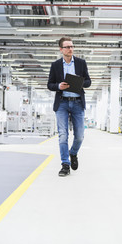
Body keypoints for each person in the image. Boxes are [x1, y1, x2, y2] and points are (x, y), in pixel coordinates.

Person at [47, 36, 91, 177]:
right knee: (63, 135)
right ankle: (65, 164)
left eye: (72, 46)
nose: (70, 49)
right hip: (62, 103)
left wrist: (78, 83)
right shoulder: (55, 65)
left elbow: (88, 81)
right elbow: (50, 84)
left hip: (78, 102)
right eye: (67, 47)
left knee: (79, 135)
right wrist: (59, 86)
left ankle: (73, 153)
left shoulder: (81, 63)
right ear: (61, 49)